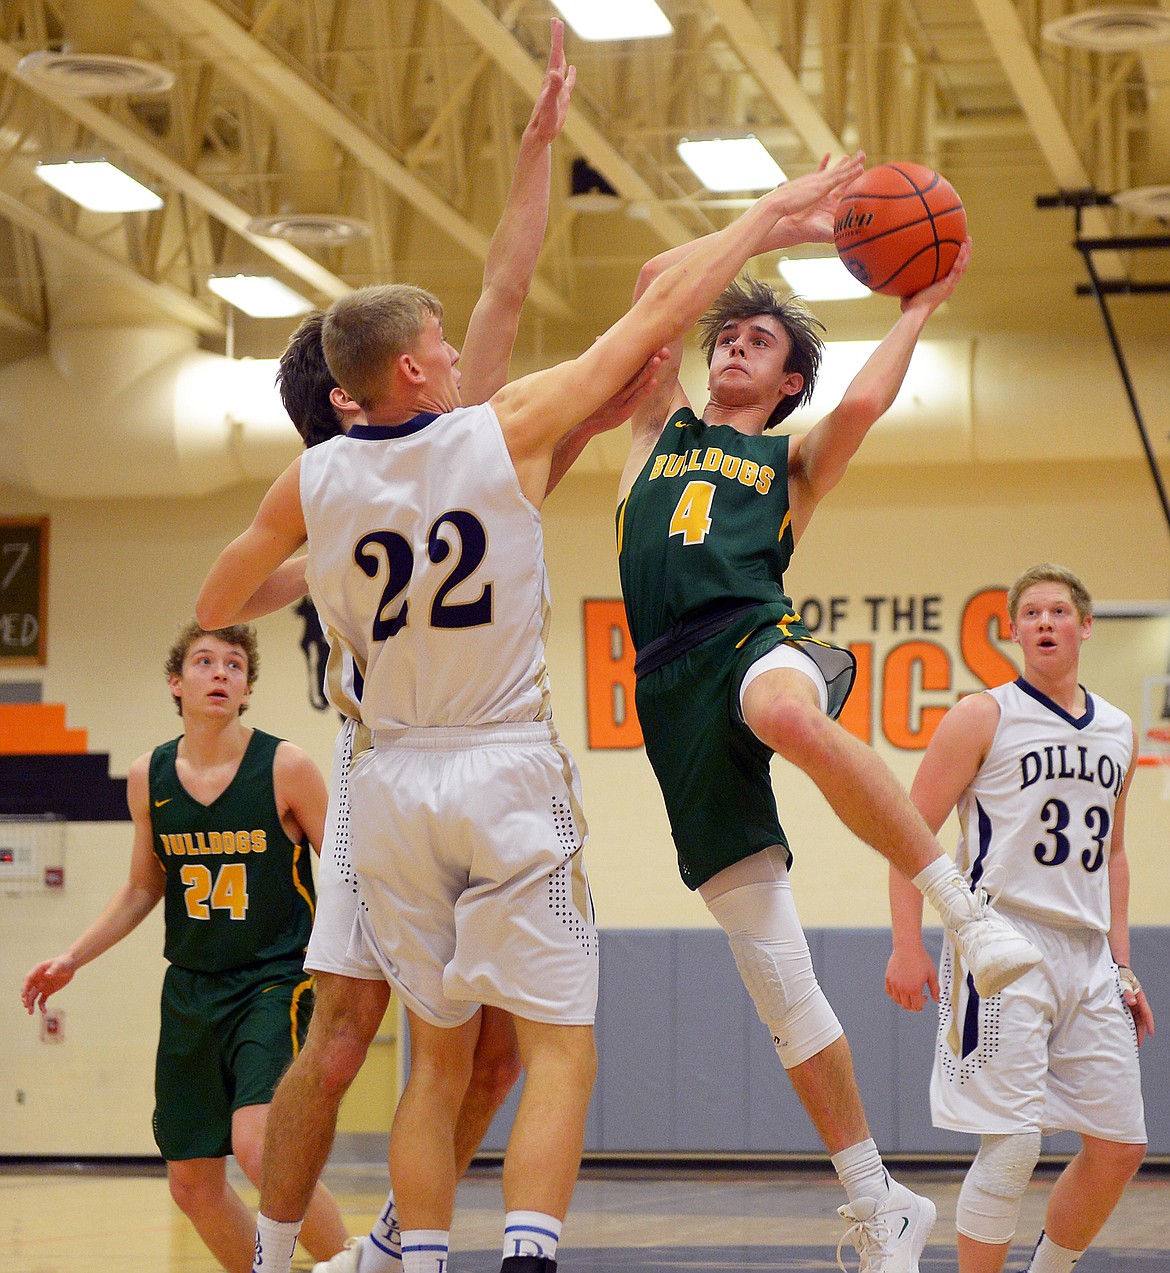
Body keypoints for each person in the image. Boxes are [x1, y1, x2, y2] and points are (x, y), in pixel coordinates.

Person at [196, 154, 870, 1273]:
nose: (463, 349)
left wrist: (318, 573)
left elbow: (218, 602)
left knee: (443, 1059)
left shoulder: (317, 485)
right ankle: (503, 1256)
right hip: (496, 764)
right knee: (553, 1048)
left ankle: (399, 1257)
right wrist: (763, 220)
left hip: (391, 775)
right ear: (412, 366)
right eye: (442, 344)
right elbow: (631, 312)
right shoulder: (492, 433)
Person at [212, 24, 656, 1273]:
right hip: (389, 765)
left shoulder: (430, 443)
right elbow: (505, 291)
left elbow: (508, 294)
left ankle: (402, 1240)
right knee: (354, 1027)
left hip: (429, 764)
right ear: (355, 399)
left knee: (492, 1043)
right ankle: (285, 1247)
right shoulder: (351, 476)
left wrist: (538, 149)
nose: (462, 345)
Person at [604, 211, 1045, 1272]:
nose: (734, 345)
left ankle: (967, 916)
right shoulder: (652, 430)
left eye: (760, 341)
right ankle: (878, 1198)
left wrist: (922, 303)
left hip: (755, 632)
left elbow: (863, 402)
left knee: (790, 711)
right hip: (667, 684)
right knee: (777, 973)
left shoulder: (789, 465)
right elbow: (656, 276)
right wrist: (775, 225)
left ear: (789, 382)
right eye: (728, 336)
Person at [19, 621, 348, 1273]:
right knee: (192, 1182)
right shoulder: (150, 775)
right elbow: (143, 886)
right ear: (177, 682)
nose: (220, 672)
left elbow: (346, 868)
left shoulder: (286, 766)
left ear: (248, 687)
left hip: (273, 980)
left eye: (234, 663)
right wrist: (72, 957)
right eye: (204, 661)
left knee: (260, 1146)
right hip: (192, 987)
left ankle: (357, 1263)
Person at [885, 563, 1153, 1273]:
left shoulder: (1120, 729)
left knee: (1122, 1144)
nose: (1043, 622)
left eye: (1058, 611)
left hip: (1089, 953)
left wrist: (1123, 964)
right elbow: (908, 833)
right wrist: (906, 944)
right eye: (1029, 612)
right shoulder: (983, 714)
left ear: (1085, 626)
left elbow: (1115, 854)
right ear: (1011, 631)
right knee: (1014, 1143)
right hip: (999, 939)